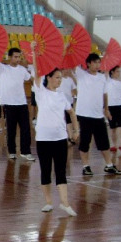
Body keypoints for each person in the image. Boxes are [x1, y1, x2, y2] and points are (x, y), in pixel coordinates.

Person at [31, 44, 80, 217]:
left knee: (60, 170)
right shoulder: (40, 92)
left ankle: (65, 203)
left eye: (61, 78)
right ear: (49, 78)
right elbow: (37, 72)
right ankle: (48, 202)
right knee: (45, 170)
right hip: (43, 139)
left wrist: (76, 130)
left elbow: (71, 112)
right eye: (57, 77)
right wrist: (35, 53)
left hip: (60, 139)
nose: (60, 80)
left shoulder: (62, 96)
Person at [73, 54, 121, 175]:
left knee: (104, 142)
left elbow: (105, 94)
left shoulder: (102, 77)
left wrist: (106, 109)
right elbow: (73, 62)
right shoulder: (81, 74)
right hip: (84, 114)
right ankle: (86, 166)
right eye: (94, 62)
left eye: (98, 62)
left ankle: (109, 165)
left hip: (98, 115)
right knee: (85, 142)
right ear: (88, 63)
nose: (97, 65)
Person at [0, 47, 34, 161]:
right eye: (15, 57)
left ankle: (26, 151)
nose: (18, 59)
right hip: (9, 104)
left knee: (25, 128)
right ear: (10, 57)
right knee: (11, 129)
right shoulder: (3, 68)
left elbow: (31, 79)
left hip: (22, 103)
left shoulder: (22, 70)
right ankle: (12, 151)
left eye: (19, 57)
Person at [57, 68, 77, 143]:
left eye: (67, 69)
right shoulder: (59, 79)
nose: (66, 71)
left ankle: (70, 136)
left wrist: (73, 95)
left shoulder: (70, 79)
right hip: (60, 102)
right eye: (65, 69)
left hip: (69, 102)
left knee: (69, 120)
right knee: (62, 119)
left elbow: (74, 89)